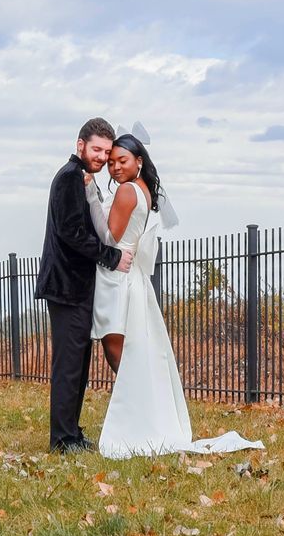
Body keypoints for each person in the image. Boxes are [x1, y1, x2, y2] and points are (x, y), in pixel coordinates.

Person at [92, 130, 263, 459]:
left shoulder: (127, 191)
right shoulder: (143, 190)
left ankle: (138, 421)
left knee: (118, 354)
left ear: (138, 161)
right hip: (133, 278)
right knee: (131, 353)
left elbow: (108, 235)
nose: (114, 167)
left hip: (117, 277)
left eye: (121, 161)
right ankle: (147, 415)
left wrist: (89, 199)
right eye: (111, 162)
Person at [34, 117, 132, 453]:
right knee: (68, 366)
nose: (103, 156)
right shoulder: (68, 178)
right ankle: (61, 440)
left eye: (107, 151)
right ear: (80, 146)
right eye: (97, 149)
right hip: (65, 287)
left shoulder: (82, 179)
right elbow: (71, 233)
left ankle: (72, 433)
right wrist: (111, 256)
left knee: (79, 364)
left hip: (78, 288)